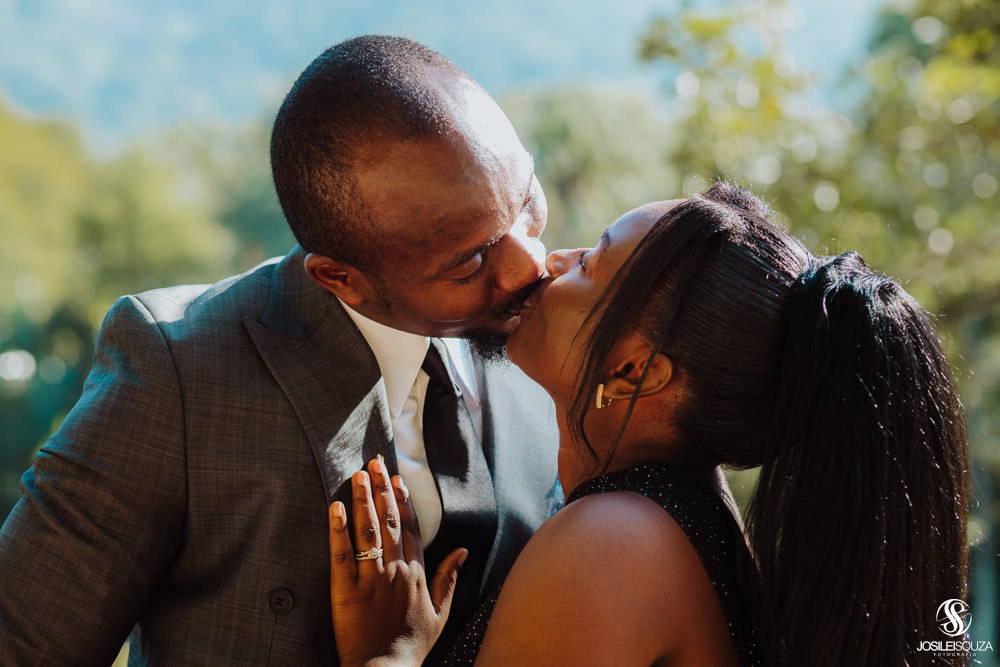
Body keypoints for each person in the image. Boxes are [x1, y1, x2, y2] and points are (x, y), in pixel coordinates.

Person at [0, 36, 560, 665]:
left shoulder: (557, 343)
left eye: (526, 200)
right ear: (339, 277)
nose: (531, 265)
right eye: (472, 260)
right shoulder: (180, 370)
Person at [327, 181, 970, 666]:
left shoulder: (611, 544)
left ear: (636, 372)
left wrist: (392, 655)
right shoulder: (672, 518)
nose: (551, 263)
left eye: (590, 265)